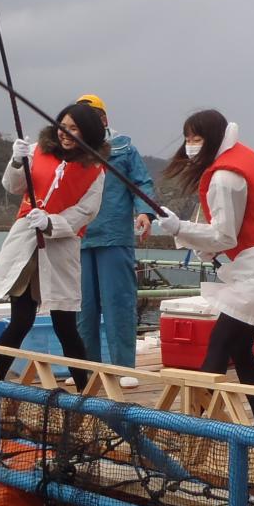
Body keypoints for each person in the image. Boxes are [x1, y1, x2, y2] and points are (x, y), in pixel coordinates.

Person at [154, 110, 254, 430]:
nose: (191, 145)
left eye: (197, 139)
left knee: (221, 342)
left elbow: (224, 234)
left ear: (213, 138)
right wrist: (200, 244)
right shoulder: (236, 158)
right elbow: (230, 231)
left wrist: (179, 228)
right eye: (188, 139)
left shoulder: (225, 176)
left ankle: (198, 427)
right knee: (239, 347)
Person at [0, 102, 107, 388]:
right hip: (26, 240)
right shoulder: (39, 151)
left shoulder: (95, 170)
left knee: (65, 325)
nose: (66, 133)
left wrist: (52, 222)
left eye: (74, 128)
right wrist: (17, 161)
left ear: (87, 133)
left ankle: (83, 389)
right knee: (20, 320)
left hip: (60, 246)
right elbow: (13, 186)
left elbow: (87, 211)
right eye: (63, 125)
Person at [72, 94, 156, 379]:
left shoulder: (124, 148)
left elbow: (142, 182)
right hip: (77, 238)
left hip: (114, 236)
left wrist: (145, 212)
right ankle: (85, 369)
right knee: (82, 309)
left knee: (118, 303)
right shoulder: (69, 151)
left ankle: (123, 368)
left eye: (90, 115)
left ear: (104, 119)